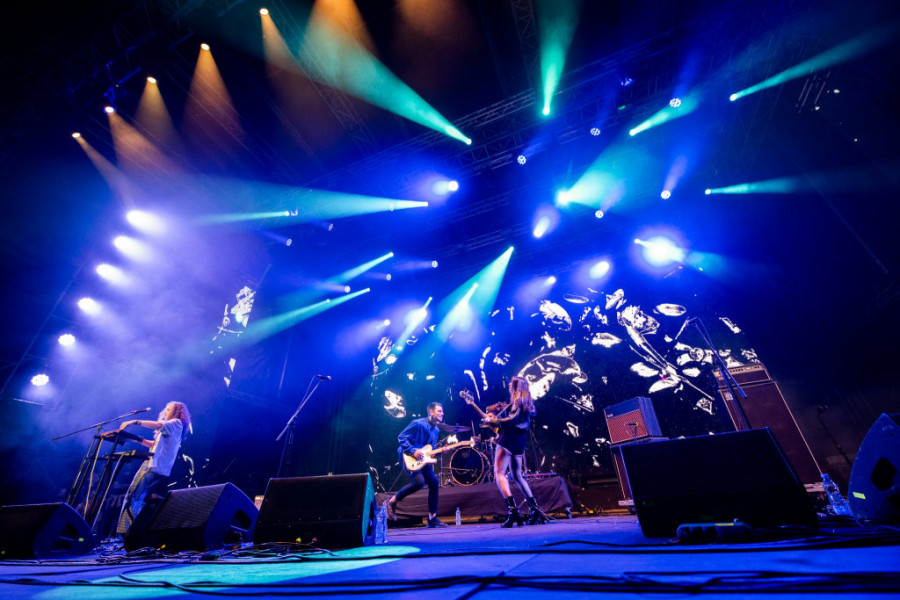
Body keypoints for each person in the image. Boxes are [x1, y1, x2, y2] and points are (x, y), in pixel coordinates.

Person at [386, 402, 468, 528]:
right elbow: (401, 437)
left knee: (434, 483)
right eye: (439, 411)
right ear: (431, 412)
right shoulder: (418, 423)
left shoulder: (436, 430)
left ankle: (432, 518)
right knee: (419, 482)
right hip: (407, 456)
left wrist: (441, 451)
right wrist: (412, 451)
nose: (442, 413)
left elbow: (429, 448)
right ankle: (392, 501)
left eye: (442, 411)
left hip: (422, 458)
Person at [115, 401, 191, 536]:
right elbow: (154, 445)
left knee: (133, 498)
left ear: (176, 412)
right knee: (138, 498)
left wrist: (135, 421)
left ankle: (125, 534)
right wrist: (136, 439)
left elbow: (158, 425)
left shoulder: (175, 423)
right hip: (157, 467)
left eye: (169, 409)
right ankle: (132, 533)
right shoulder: (173, 427)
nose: (165, 411)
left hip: (153, 466)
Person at [484, 376, 545, 527]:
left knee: (499, 473)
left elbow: (512, 421)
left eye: (512, 382)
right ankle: (535, 510)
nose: (509, 383)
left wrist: (492, 421)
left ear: (517, 385)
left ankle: (513, 512)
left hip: (509, 439)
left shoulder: (517, 400)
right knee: (517, 476)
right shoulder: (525, 400)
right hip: (520, 440)